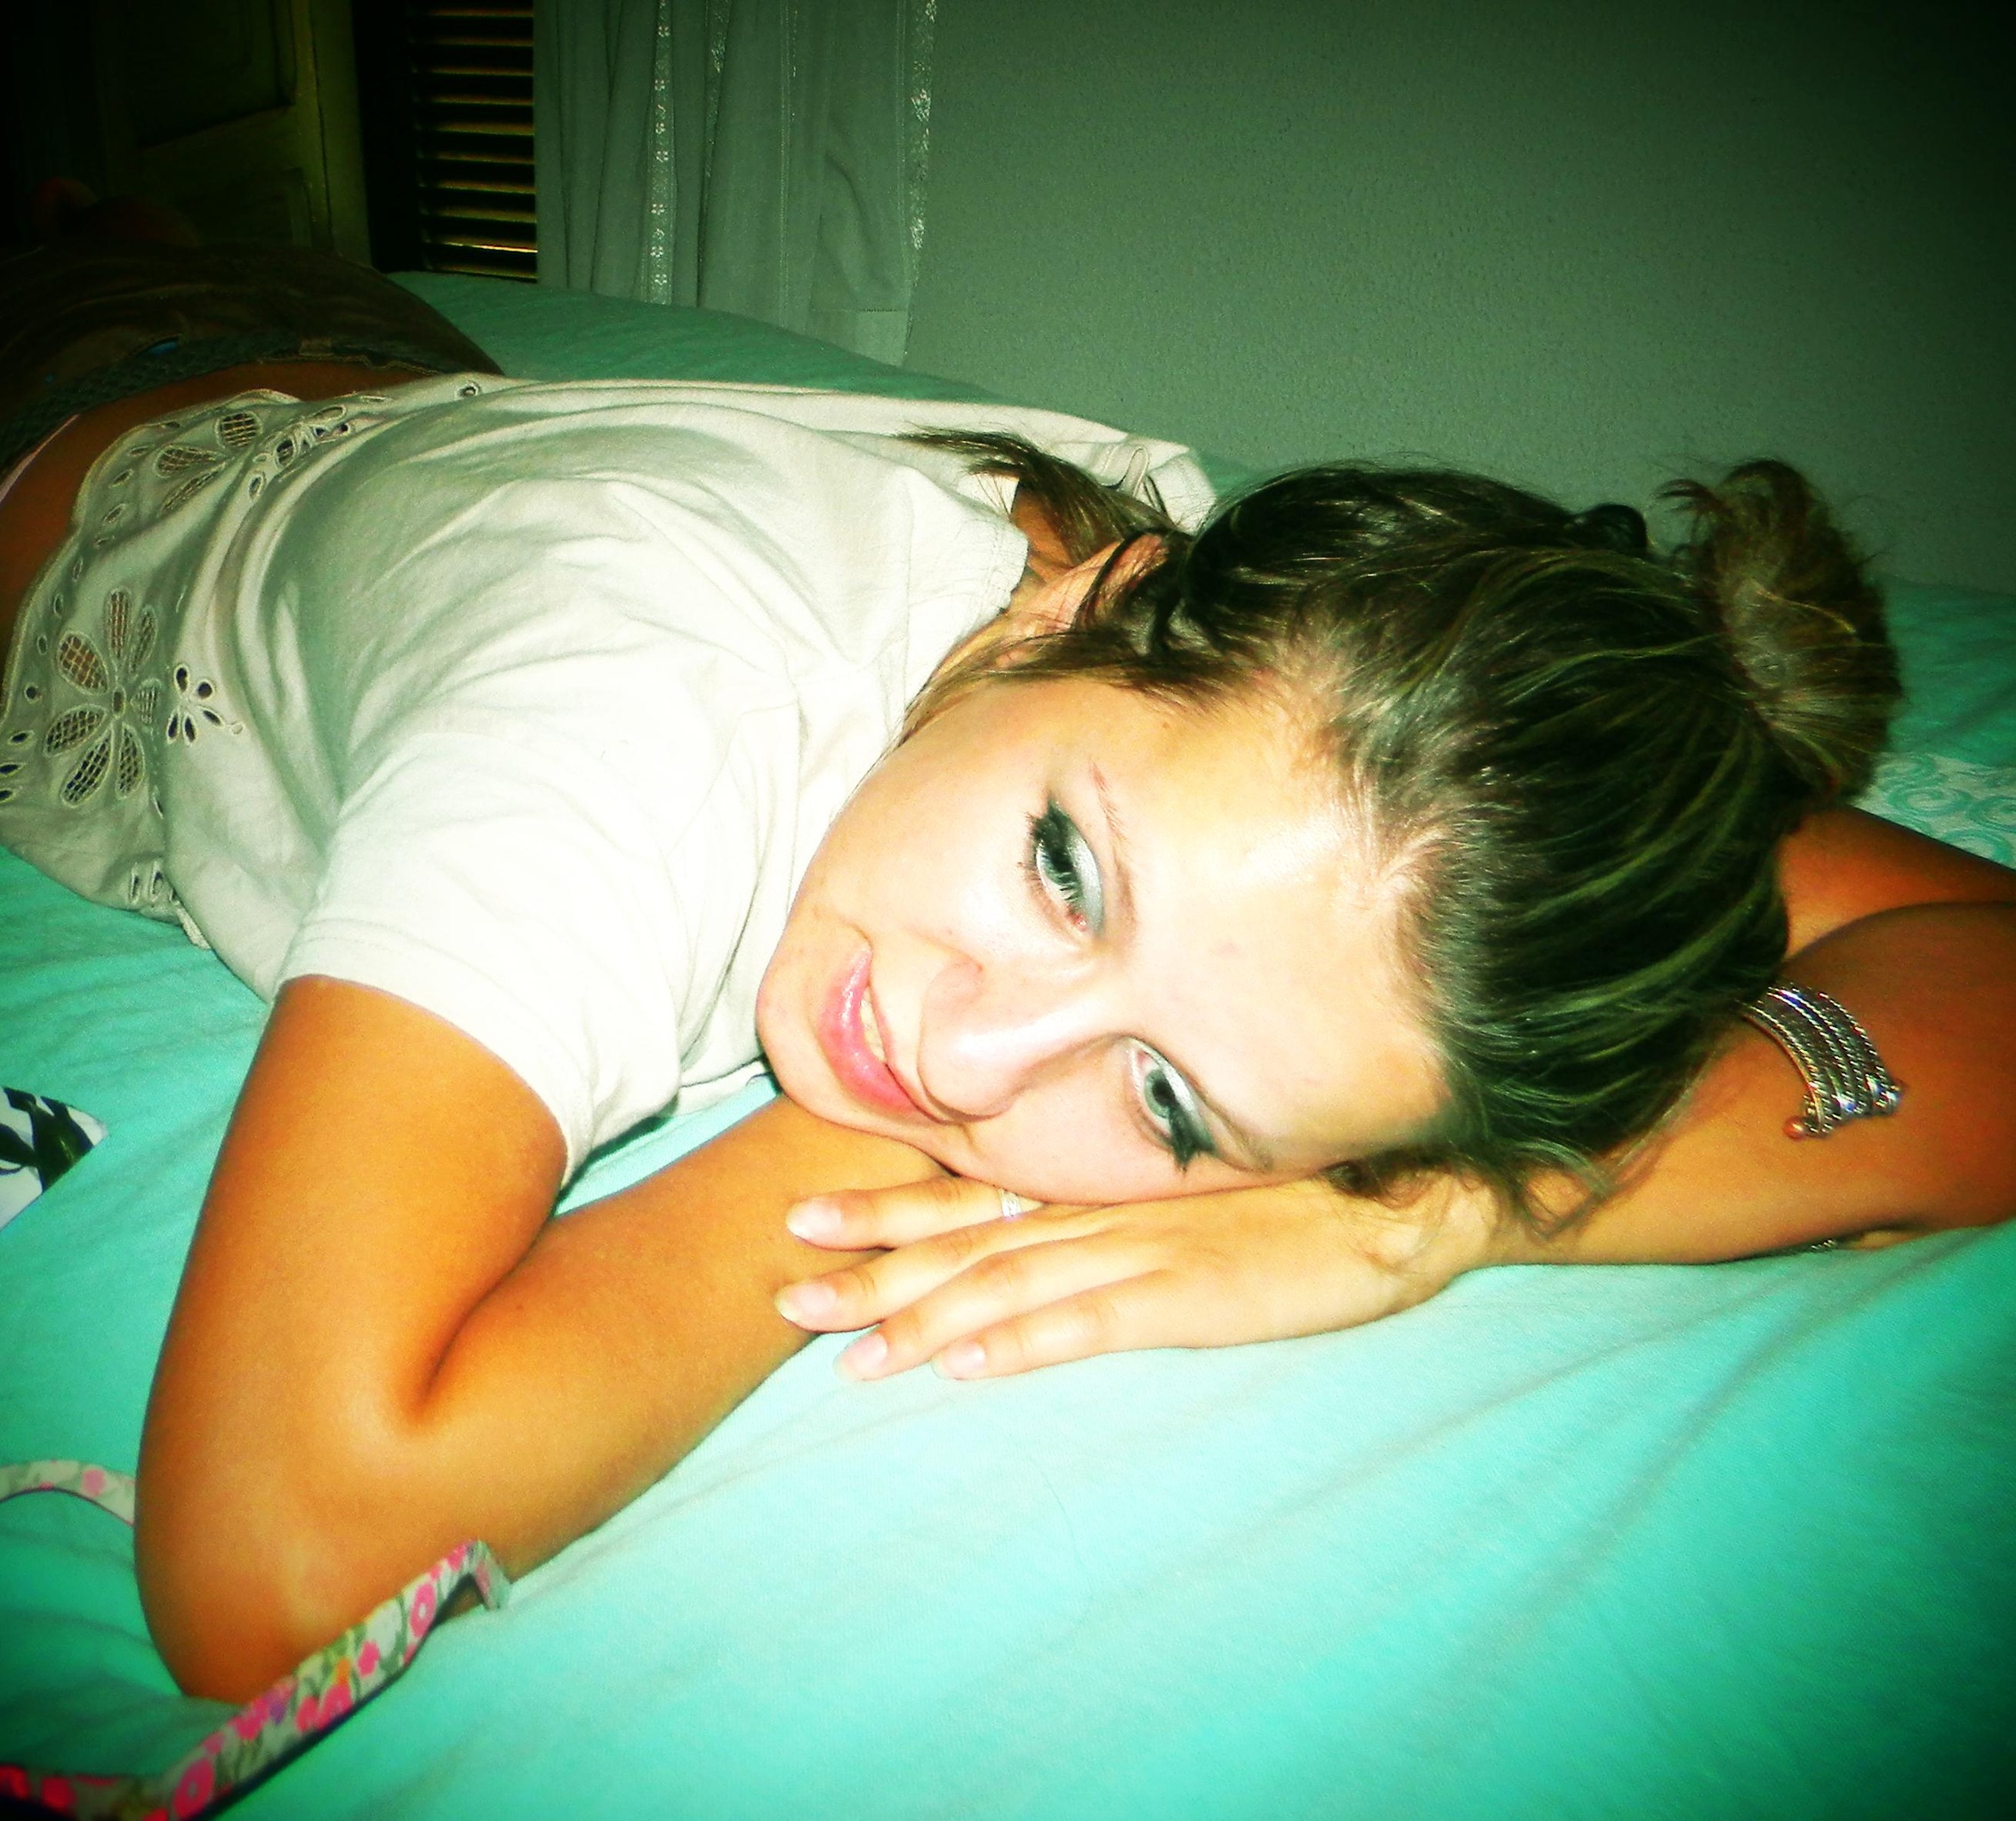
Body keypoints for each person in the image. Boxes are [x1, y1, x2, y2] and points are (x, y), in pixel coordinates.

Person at [4, 235, 2012, 1706]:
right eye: (1066, 871)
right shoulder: (632, 719)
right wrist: (861, 1165)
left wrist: (1449, 1211)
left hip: (393, 381)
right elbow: (280, 1559)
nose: (969, 1058)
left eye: (1169, 1100)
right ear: (1088, 602)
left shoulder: (1343, 759)